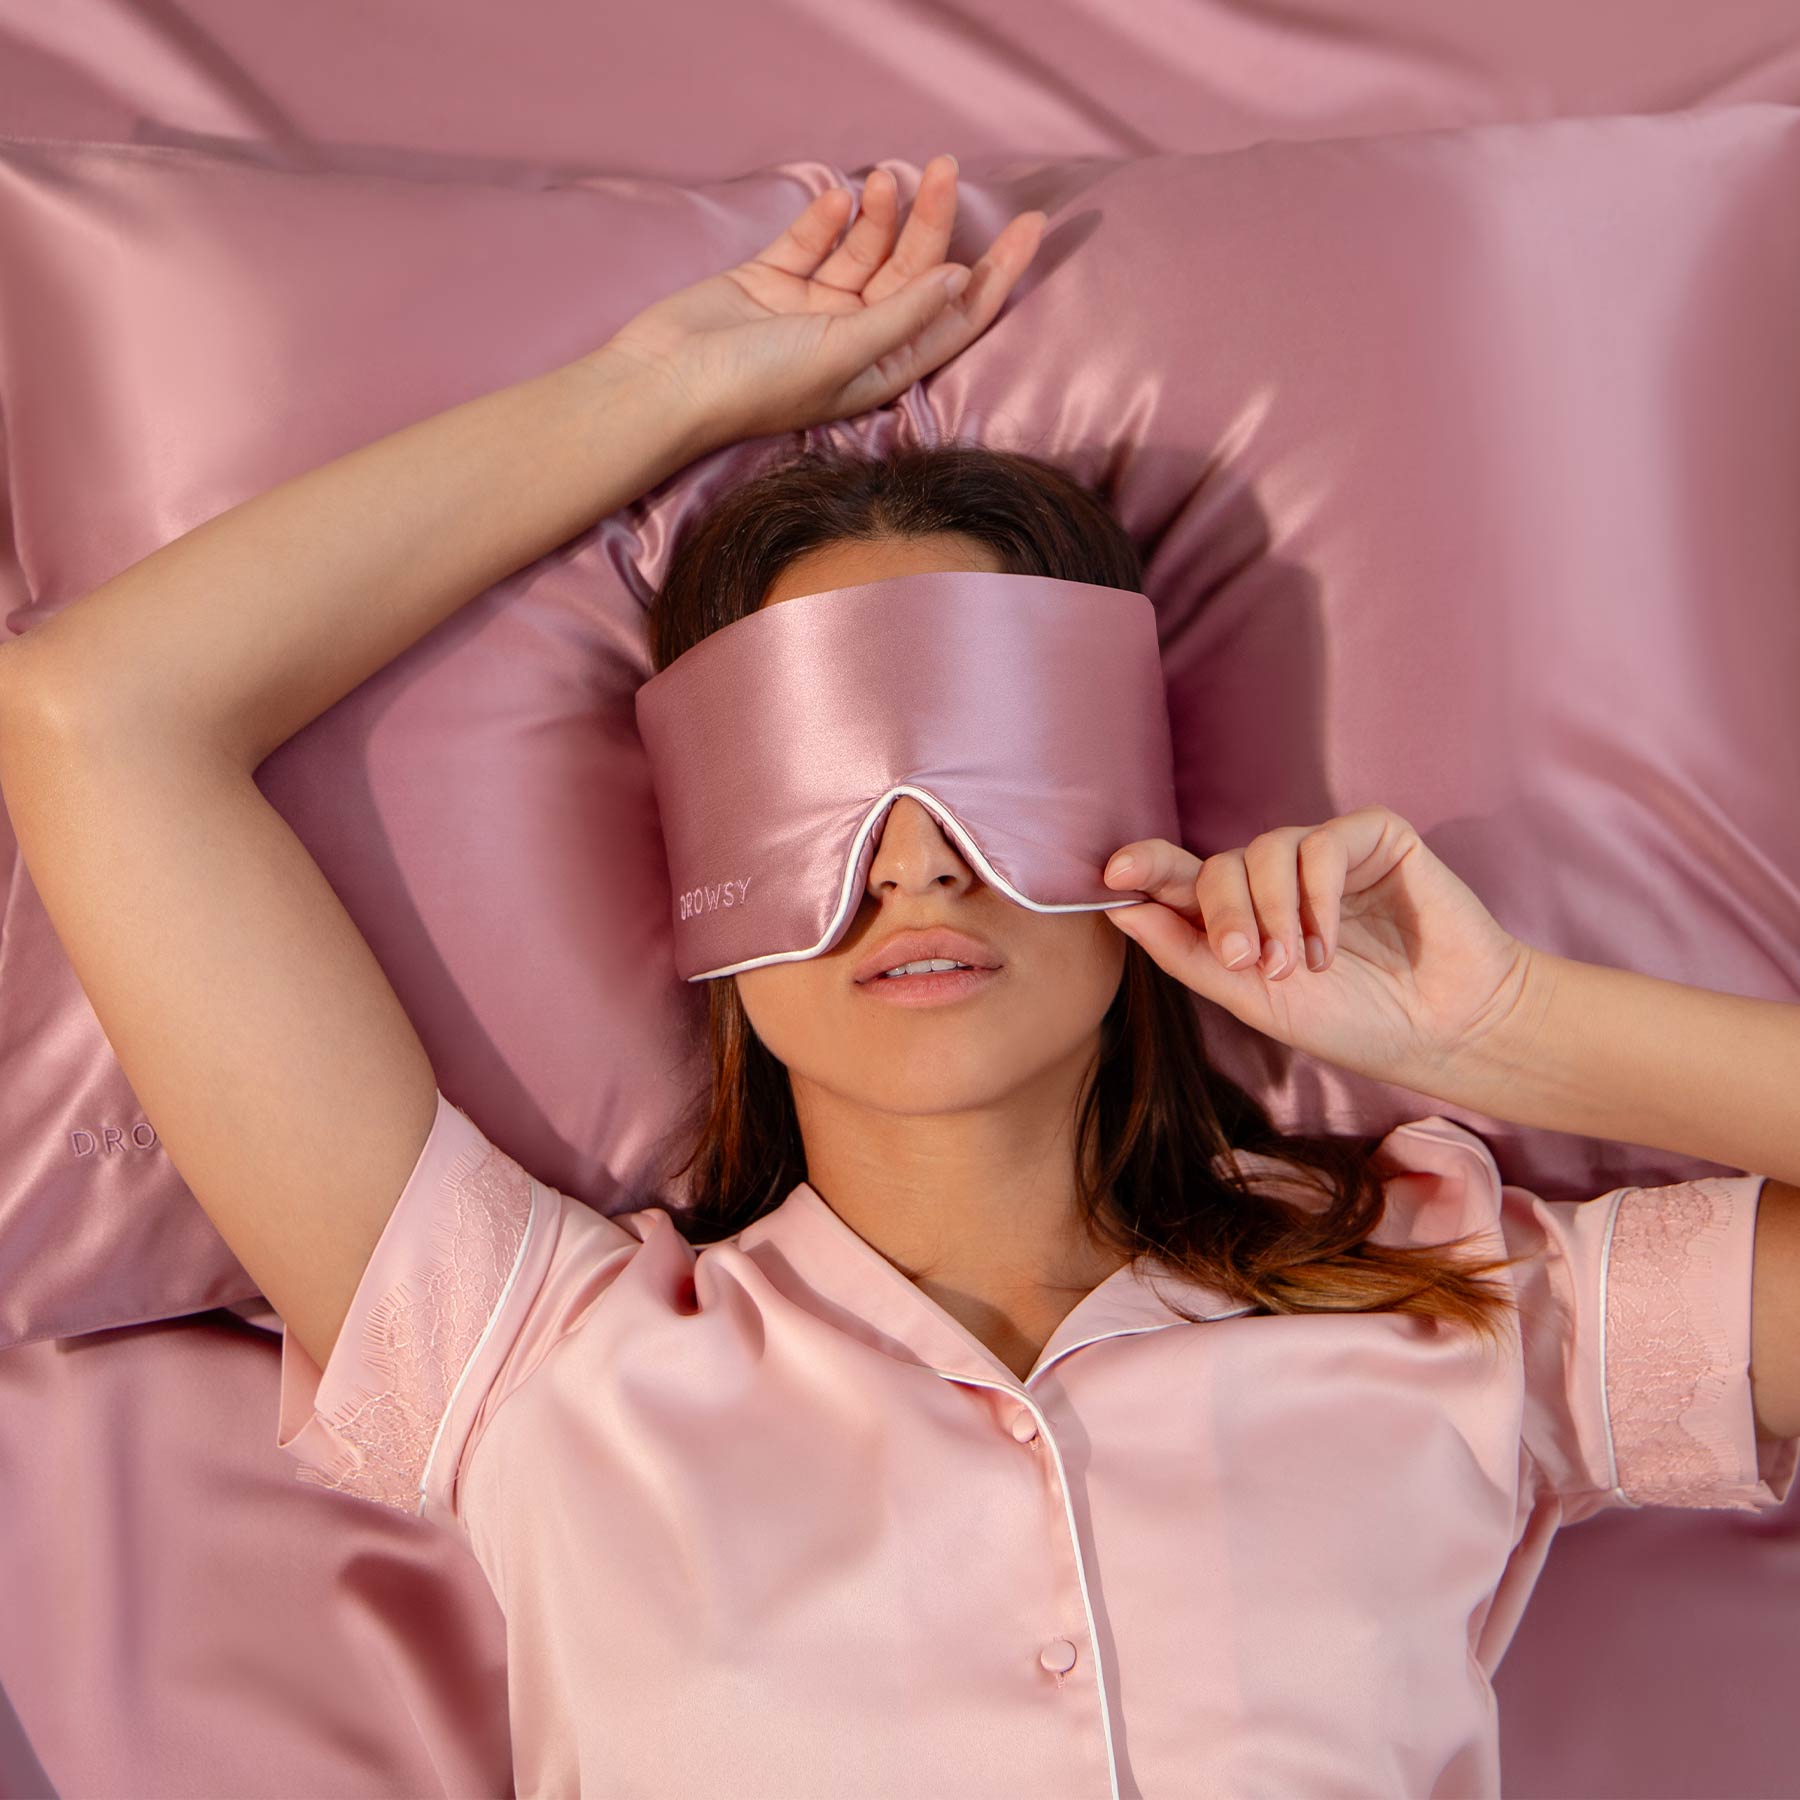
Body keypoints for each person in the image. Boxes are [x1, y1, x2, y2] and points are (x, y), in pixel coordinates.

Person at [3, 153, 1798, 1799]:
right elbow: (95, 720)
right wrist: (660, 397)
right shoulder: (532, 1363)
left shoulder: (1460, 1312)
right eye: (817, 795)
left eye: (1000, 770)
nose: (916, 859)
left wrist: (1504, 1029)